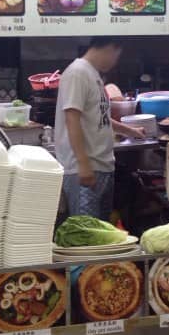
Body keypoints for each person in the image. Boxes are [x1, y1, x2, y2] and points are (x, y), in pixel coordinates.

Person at [54, 37, 144, 220]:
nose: (115, 62)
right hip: (84, 169)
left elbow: (99, 117)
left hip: (101, 166)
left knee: (101, 231)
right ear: (111, 48)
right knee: (87, 232)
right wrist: (83, 164)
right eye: (117, 56)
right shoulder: (77, 73)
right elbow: (72, 118)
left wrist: (131, 131)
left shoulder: (93, 74)